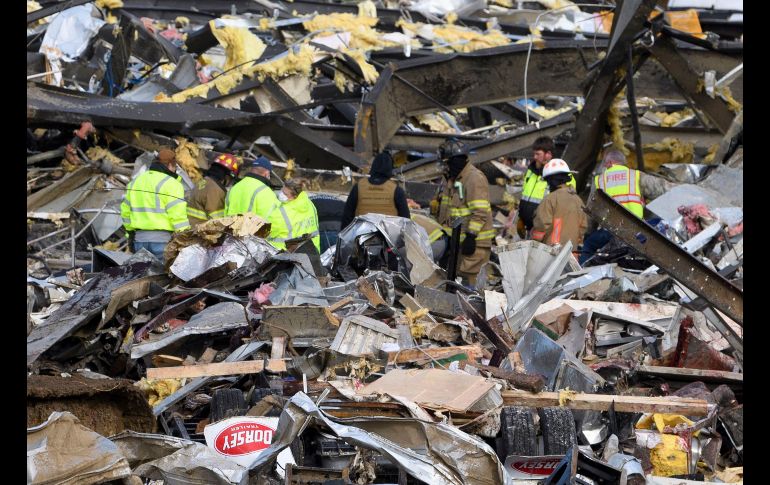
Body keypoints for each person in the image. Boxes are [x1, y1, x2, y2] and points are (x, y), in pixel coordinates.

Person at [434, 138, 495, 287]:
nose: (444, 167)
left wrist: (471, 236)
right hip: (457, 242)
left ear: (454, 161)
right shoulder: (452, 179)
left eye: (446, 163)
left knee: (469, 285)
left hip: (474, 244)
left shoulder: (474, 178)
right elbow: (449, 210)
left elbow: (480, 211)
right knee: (454, 283)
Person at [120, 148, 190, 260]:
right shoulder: (172, 183)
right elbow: (178, 217)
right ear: (170, 165)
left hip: (139, 241)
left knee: (143, 271)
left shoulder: (135, 182)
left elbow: (125, 212)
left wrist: (130, 235)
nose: (175, 170)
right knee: (162, 271)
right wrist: (186, 240)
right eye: (175, 167)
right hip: (163, 242)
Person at [579, 149, 645, 265]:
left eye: (605, 163)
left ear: (609, 163)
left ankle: (582, 271)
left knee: (588, 245)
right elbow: (661, 187)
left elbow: (592, 210)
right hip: (636, 231)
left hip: (610, 231)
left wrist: (589, 233)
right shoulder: (636, 175)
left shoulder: (599, 180)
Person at [519, 136, 576, 233]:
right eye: (534, 154)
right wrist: (520, 218)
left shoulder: (562, 176)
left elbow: (564, 208)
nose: (535, 157)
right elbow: (524, 195)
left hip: (544, 230)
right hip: (528, 228)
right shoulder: (531, 172)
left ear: (548, 154)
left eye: (538, 154)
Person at [340, 151, 410, 229]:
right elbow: (406, 220)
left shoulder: (358, 187)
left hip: (361, 233)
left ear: (373, 166)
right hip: (387, 234)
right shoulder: (396, 190)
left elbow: (347, 217)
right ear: (390, 168)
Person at [531, 159, 587, 250]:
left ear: (551, 180)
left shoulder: (550, 199)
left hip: (551, 252)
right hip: (571, 252)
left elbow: (541, 226)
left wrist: (533, 245)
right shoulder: (578, 201)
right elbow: (583, 227)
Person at [186, 153, 240, 226]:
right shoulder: (216, 191)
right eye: (230, 180)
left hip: (190, 226)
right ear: (227, 177)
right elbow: (218, 221)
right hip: (200, 229)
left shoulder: (203, 181)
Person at [270, 178, 321, 252]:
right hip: (312, 253)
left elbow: (265, 234)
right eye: (282, 191)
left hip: (286, 255)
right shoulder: (310, 204)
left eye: (285, 194)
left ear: (294, 196)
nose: (281, 195)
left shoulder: (281, 212)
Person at [224, 155, 279, 221]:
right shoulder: (267, 193)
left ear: (252, 169)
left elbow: (226, 210)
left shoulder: (235, 187)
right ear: (267, 173)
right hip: (252, 227)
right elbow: (268, 219)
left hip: (230, 226)